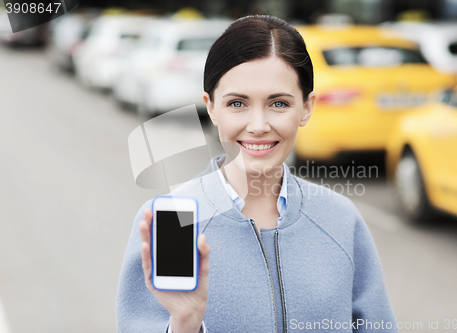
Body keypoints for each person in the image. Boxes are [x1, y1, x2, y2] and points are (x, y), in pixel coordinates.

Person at [117, 15, 398, 333]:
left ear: (306, 107)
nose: (258, 125)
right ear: (210, 107)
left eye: (278, 103)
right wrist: (185, 324)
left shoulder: (340, 220)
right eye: (237, 103)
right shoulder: (173, 223)